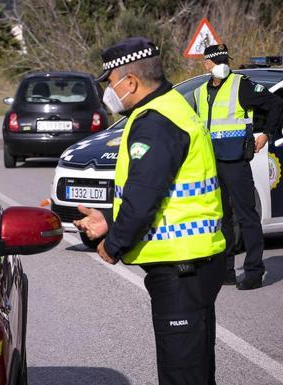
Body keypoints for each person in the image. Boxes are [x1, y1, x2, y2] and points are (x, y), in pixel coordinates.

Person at [74, 37, 226, 385]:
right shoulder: (171, 107)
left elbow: (144, 196)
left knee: (182, 376)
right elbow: (165, 193)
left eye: (110, 82)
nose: (108, 91)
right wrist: (109, 221)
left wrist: (113, 245)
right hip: (194, 263)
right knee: (196, 371)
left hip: (181, 270)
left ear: (130, 82)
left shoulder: (156, 122)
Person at [193, 44, 283, 290]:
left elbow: (275, 104)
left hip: (235, 161)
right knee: (222, 218)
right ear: (207, 63)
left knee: (246, 217)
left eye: (223, 59)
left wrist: (266, 133)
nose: (221, 63)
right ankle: (226, 271)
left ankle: (254, 272)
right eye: (216, 59)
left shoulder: (241, 84)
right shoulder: (200, 92)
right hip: (211, 162)